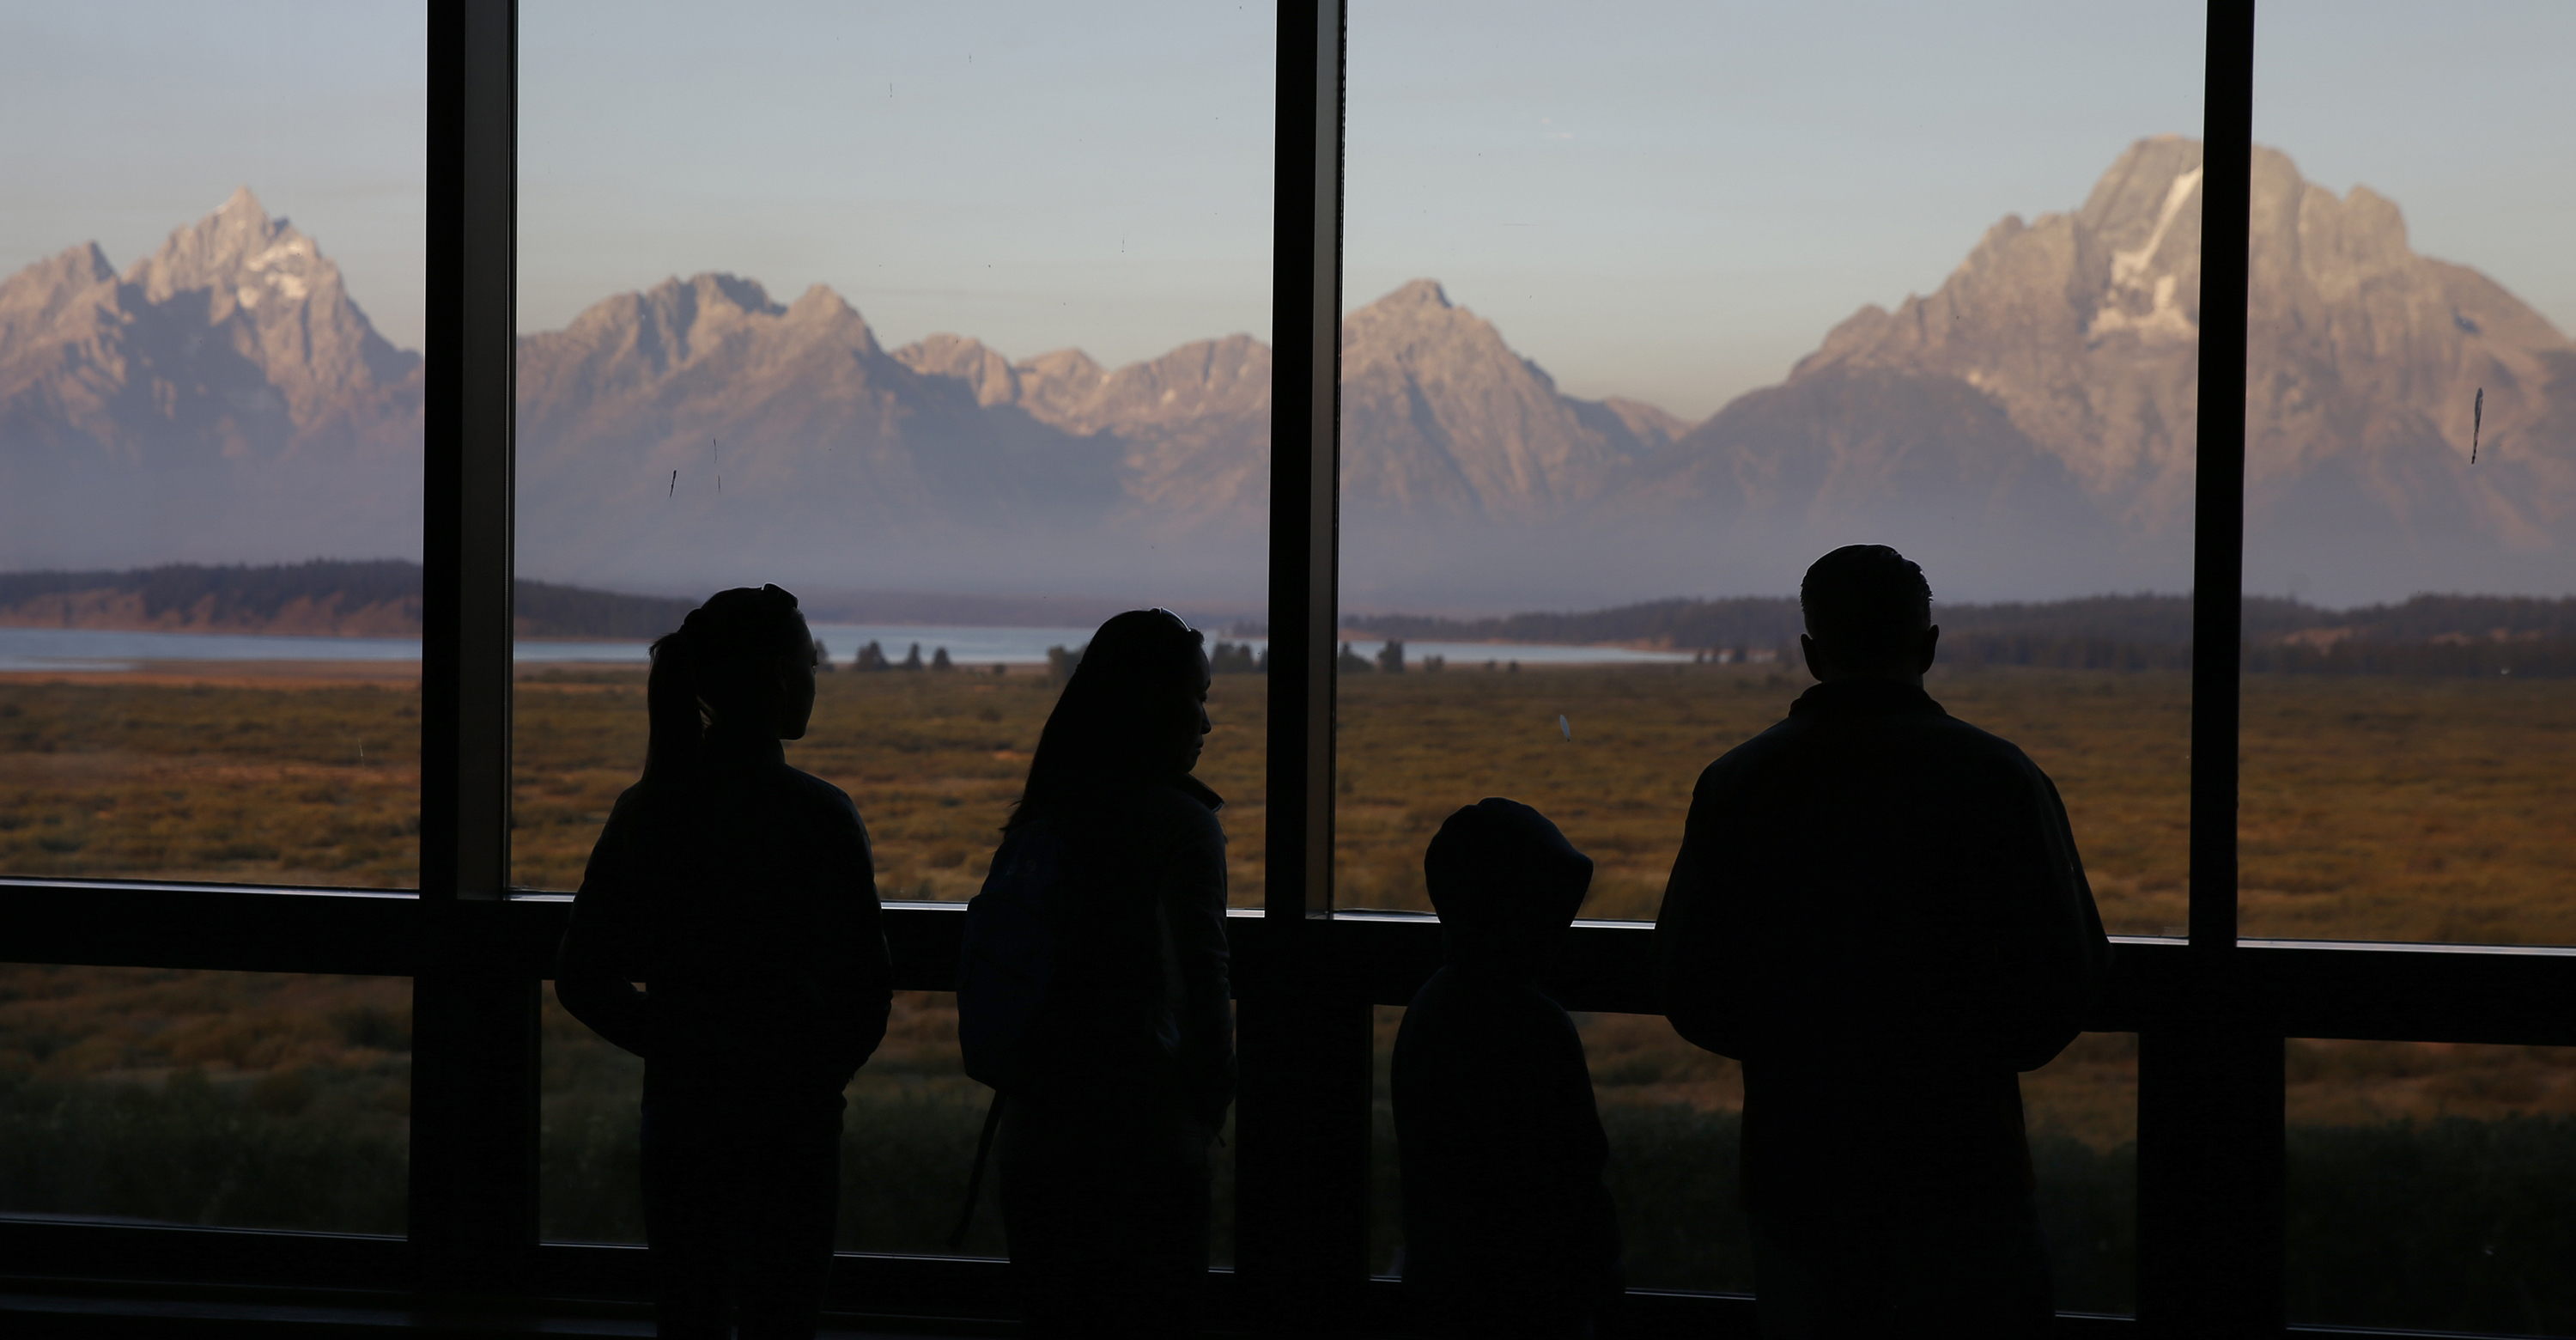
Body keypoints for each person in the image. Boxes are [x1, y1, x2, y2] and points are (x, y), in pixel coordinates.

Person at [1650, 545, 2108, 1339]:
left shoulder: (1741, 781)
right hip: (1967, 1166)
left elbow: (1688, 982)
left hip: (1801, 1167)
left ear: (1811, 654)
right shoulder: (2001, 778)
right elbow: (2071, 975)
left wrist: (1801, 1048)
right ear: (1928, 647)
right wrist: (1964, 1055)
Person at [556, 583, 892, 1340]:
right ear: (778, 676)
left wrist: (680, 1043)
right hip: (793, 1127)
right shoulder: (818, 816)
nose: (816, 678)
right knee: (783, 1317)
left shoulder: (649, 810)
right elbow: (866, 993)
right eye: (810, 663)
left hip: (679, 1117)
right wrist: (806, 1072)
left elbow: (582, 975)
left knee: (690, 1314)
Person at [970, 608, 1234, 1339]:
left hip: (1036, 1135)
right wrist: (1204, 1109)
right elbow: (1203, 974)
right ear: (1152, 701)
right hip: (1141, 1141)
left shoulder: (1046, 813)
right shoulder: (1181, 824)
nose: (1207, 723)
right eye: (1197, 697)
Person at [1392, 799, 1622, 1340]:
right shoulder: (1530, 1021)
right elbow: (1575, 1177)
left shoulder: (1434, 1005)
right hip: (1532, 1299)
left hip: (1450, 1286)